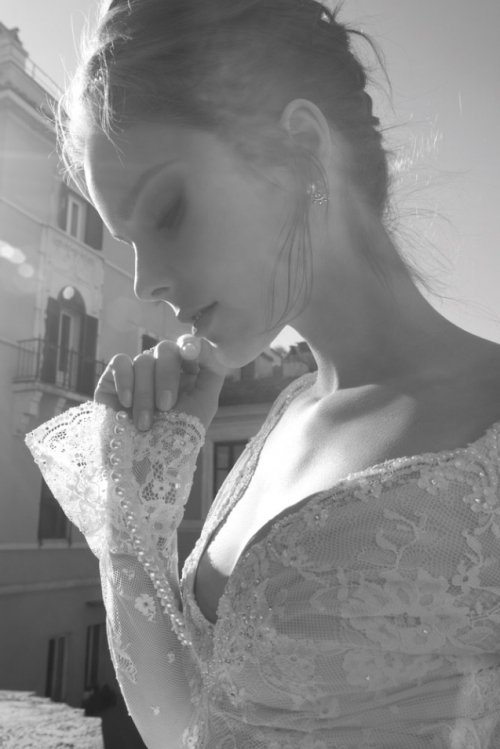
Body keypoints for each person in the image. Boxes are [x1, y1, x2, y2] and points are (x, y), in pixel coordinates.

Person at [25, 0, 500, 747]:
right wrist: (135, 508)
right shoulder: (281, 419)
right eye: (128, 241)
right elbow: (187, 728)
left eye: (168, 211)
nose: (147, 282)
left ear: (301, 149)